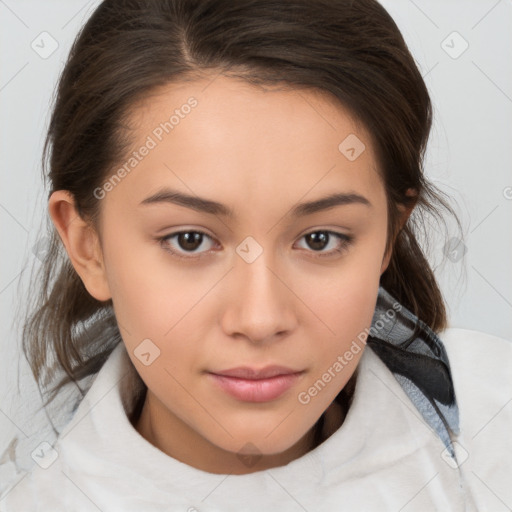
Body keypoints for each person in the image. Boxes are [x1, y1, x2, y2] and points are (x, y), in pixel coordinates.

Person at [1, 0, 510, 510]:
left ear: (387, 236)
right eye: (190, 240)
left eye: (319, 239)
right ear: (87, 246)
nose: (260, 319)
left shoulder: (495, 434)